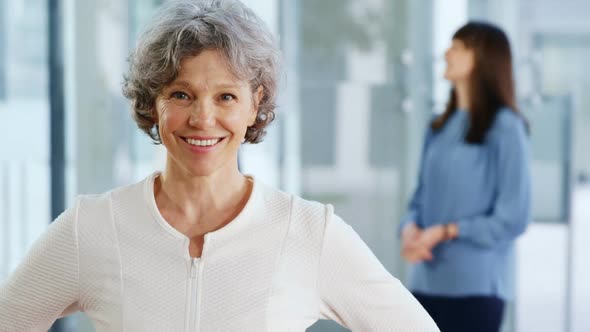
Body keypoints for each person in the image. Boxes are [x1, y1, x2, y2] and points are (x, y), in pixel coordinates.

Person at [0, 1, 439, 331]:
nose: (202, 119)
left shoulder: (307, 233)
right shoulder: (93, 226)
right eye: (181, 94)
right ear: (153, 104)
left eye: (225, 96)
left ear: (255, 105)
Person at [399, 21, 531, 332]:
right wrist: (409, 229)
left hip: (476, 288)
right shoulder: (437, 126)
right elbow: (420, 196)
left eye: (457, 47)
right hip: (424, 283)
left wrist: (445, 231)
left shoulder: (507, 127)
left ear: (482, 60)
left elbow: (514, 217)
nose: (447, 53)